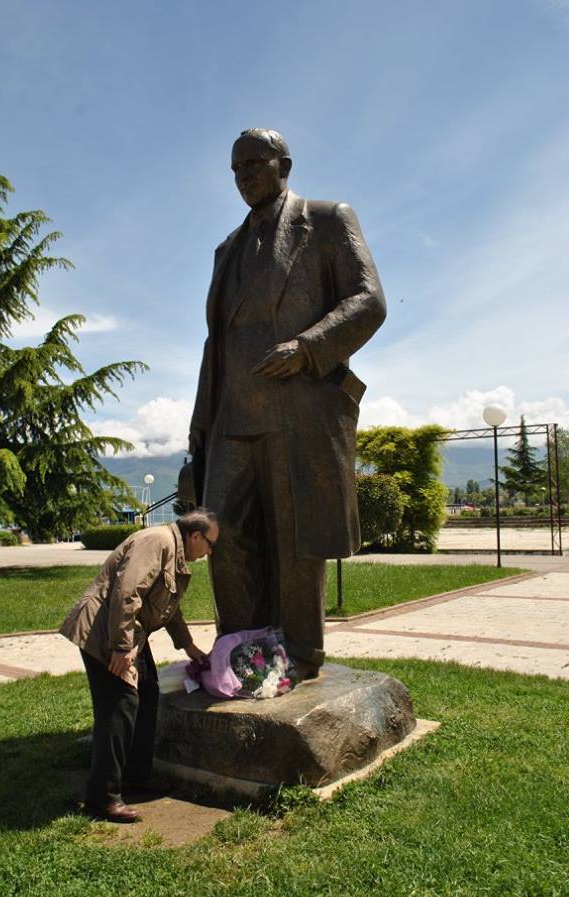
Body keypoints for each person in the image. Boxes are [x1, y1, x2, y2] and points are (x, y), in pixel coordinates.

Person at [190, 128, 386, 681]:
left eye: (255, 163)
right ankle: (238, 651)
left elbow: (369, 301)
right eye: (236, 168)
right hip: (232, 415)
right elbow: (216, 346)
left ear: (285, 164)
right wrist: (199, 428)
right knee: (221, 534)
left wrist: (308, 347)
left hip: (298, 410)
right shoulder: (226, 250)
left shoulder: (326, 221)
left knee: (298, 540)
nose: (245, 175)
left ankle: (301, 652)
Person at [60, 510, 218, 823]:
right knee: (120, 706)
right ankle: (102, 798)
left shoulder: (174, 553)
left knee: (146, 693)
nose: (211, 552)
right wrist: (120, 647)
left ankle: (137, 776)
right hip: (104, 633)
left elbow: (169, 609)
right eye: (211, 544)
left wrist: (189, 647)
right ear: (196, 536)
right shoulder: (157, 541)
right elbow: (126, 592)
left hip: (128, 635)